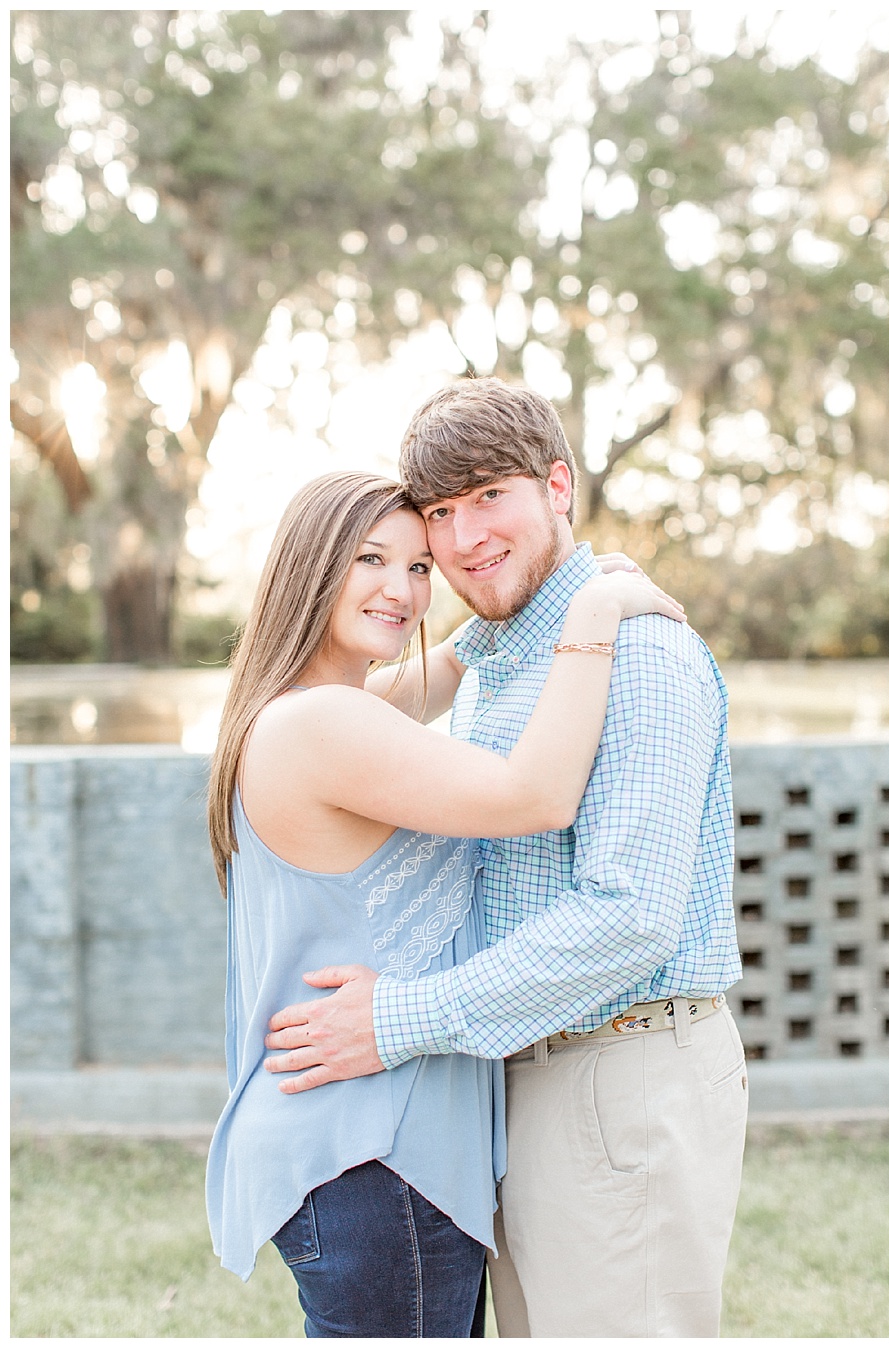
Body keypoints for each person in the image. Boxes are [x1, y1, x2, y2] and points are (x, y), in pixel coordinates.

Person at [259, 378, 749, 1338]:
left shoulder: (640, 651)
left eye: (491, 495)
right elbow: (344, 727)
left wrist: (401, 1016)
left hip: (622, 1071)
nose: (465, 533)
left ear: (558, 486)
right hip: (516, 1075)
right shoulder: (504, 655)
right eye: (440, 511)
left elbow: (630, 917)